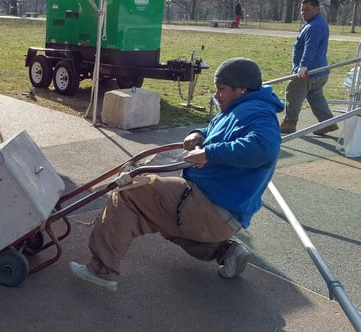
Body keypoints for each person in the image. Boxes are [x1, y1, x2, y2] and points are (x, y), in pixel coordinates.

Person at [69, 58, 284, 291]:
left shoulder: (260, 114)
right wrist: (198, 134)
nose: (217, 94)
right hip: (218, 213)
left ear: (240, 89)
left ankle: (102, 270)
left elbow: (264, 148)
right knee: (160, 213)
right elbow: (214, 130)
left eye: (221, 89)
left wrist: (208, 153)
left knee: (130, 191)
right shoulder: (239, 108)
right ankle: (227, 251)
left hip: (212, 207)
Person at [280, 0, 337, 135]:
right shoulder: (318, 22)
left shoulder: (314, 26)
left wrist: (303, 66)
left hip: (308, 72)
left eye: (307, 10)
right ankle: (328, 122)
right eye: (302, 9)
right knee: (316, 97)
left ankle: (289, 123)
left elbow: (310, 47)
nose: (303, 13)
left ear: (317, 9)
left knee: (293, 94)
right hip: (320, 71)